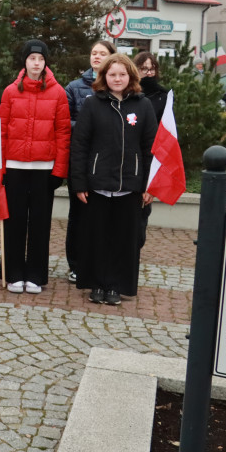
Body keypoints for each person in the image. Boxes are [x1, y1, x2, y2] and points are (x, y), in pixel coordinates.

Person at [70, 53, 157, 305]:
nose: (117, 79)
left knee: (124, 240)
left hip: (130, 187)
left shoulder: (143, 105)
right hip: (97, 185)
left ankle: (116, 286)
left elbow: (150, 146)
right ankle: (96, 283)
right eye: (112, 74)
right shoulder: (92, 104)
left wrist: (148, 184)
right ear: (103, 77)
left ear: (130, 76)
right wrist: (80, 182)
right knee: (96, 237)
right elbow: (80, 145)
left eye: (121, 74)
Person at [0, 40, 71, 294]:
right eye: (32, 59)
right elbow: (3, 133)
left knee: (39, 224)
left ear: (45, 62)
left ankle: (36, 275)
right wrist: (2, 169)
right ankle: (13, 273)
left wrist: (59, 170)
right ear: (25, 61)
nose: (36, 63)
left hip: (44, 169)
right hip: (15, 167)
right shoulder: (10, 92)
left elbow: (63, 133)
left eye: (40, 59)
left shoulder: (58, 92)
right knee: (14, 221)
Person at [64, 40, 116, 284]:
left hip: (108, 162)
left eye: (102, 53)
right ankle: (75, 264)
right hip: (82, 160)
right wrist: (90, 126)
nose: (96, 57)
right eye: (94, 53)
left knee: (102, 217)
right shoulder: (74, 88)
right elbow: (65, 121)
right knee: (78, 215)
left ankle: (100, 263)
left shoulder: (118, 88)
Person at [133, 51, 167, 248]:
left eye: (152, 68)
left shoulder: (163, 96)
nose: (149, 73)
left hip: (151, 157)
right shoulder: (130, 94)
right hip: (131, 156)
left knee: (143, 211)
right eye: (143, 68)